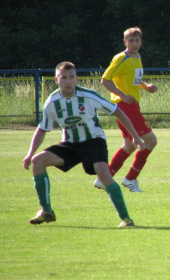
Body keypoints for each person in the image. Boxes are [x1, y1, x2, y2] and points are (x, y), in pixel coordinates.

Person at [23, 61, 145, 227]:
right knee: (38, 161)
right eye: (63, 77)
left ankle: (126, 219)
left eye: (71, 77)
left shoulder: (88, 96)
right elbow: (42, 129)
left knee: (103, 173)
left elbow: (117, 111)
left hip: (94, 141)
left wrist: (135, 136)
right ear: (56, 80)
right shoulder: (52, 102)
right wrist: (30, 153)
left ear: (76, 78)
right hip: (70, 144)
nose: (68, 81)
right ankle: (46, 211)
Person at [95, 26, 158, 192]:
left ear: (141, 42)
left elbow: (134, 80)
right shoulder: (120, 58)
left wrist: (146, 86)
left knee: (129, 146)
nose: (135, 43)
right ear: (125, 42)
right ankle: (131, 178)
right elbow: (105, 80)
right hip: (125, 106)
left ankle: (104, 179)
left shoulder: (137, 57)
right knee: (151, 141)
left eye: (137, 40)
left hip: (131, 105)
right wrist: (122, 96)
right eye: (131, 40)